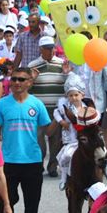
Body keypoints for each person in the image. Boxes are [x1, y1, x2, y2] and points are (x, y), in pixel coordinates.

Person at [0, 68, 51, 213]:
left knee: (32, 206)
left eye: (21, 79)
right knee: (4, 203)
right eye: (14, 79)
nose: (16, 82)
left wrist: (62, 120)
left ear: (29, 83)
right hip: (7, 163)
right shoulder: (2, 104)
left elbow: (47, 131)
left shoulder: (37, 104)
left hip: (33, 162)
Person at [27, 36, 68, 177]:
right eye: (47, 48)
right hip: (39, 110)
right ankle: (39, 165)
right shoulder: (33, 65)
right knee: (39, 140)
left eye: (52, 48)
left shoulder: (62, 64)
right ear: (41, 49)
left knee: (56, 141)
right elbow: (26, 89)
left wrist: (66, 74)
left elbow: (68, 87)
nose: (51, 51)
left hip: (56, 110)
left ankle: (52, 167)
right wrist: (32, 79)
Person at [54, 75, 86, 190]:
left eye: (76, 95)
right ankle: (64, 177)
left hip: (84, 138)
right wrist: (62, 121)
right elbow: (56, 113)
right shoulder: (64, 107)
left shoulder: (86, 107)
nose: (74, 98)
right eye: (71, 95)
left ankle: (104, 171)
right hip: (71, 138)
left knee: (99, 153)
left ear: (82, 95)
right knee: (66, 156)